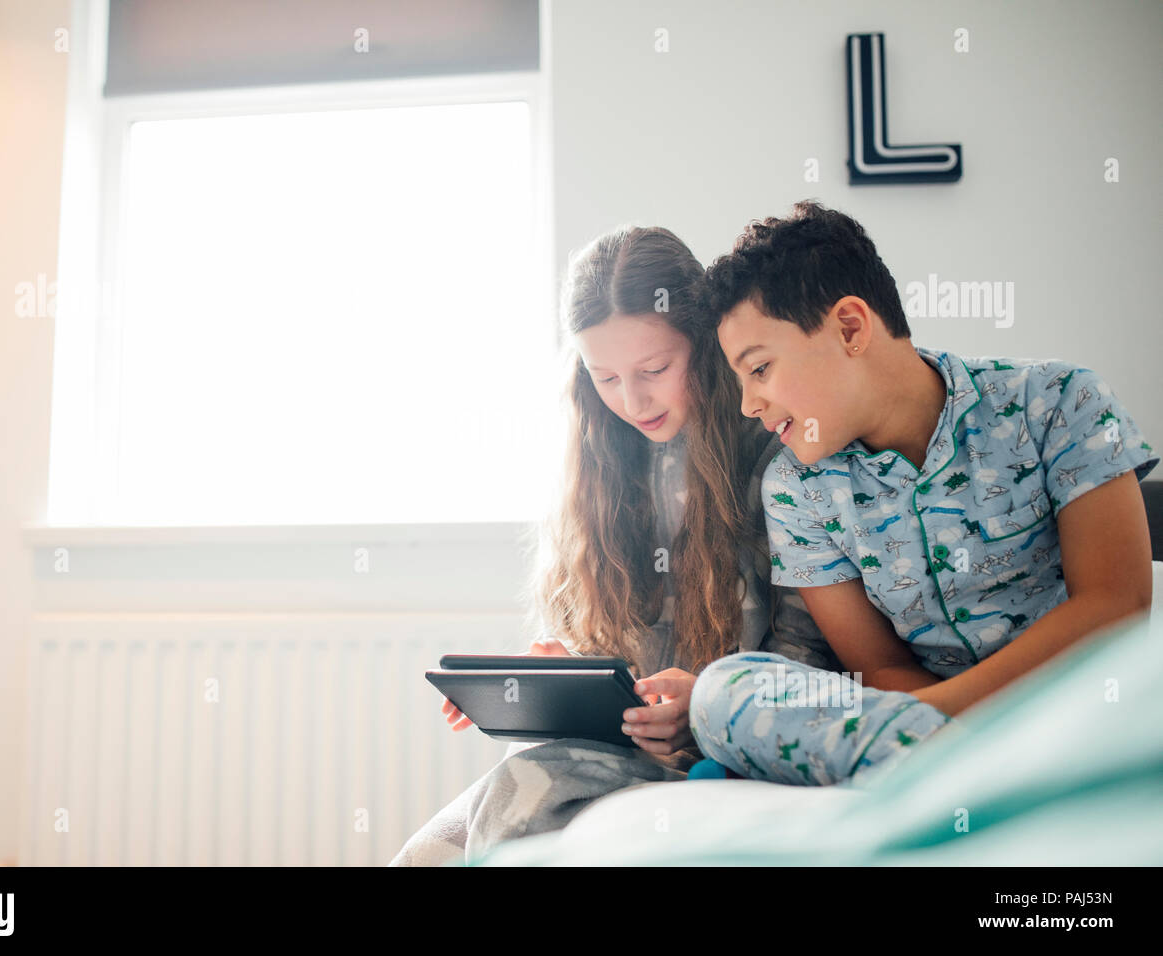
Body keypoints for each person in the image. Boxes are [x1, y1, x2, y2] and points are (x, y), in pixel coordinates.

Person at [388, 225, 839, 865]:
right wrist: (560, 671)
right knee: (424, 856)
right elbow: (603, 639)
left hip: (727, 760)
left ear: (705, 346)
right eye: (604, 377)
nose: (632, 400)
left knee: (518, 805)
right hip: (608, 752)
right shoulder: (594, 464)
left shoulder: (776, 459)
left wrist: (706, 703)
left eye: (655, 370)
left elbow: (813, 664)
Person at [687, 200, 1157, 786]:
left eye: (758, 369)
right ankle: (956, 768)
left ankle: (954, 764)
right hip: (916, 730)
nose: (747, 405)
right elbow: (880, 666)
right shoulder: (795, 487)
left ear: (851, 328)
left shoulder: (1061, 399)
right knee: (721, 690)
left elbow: (1116, 606)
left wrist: (942, 721)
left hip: (1078, 710)